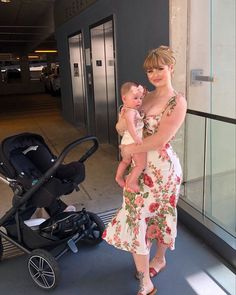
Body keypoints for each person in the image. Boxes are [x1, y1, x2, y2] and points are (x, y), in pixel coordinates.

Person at [103, 45, 187, 295]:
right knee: (136, 217)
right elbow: (121, 128)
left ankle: (159, 258)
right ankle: (144, 280)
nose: (155, 74)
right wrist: (122, 119)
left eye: (160, 69)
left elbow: (161, 140)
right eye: (150, 70)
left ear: (170, 68)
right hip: (140, 170)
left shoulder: (177, 101)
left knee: (161, 216)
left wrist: (129, 151)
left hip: (163, 171)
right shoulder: (143, 95)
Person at [115, 82, 146, 192]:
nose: (139, 101)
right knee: (140, 164)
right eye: (135, 98)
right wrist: (136, 138)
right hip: (133, 142)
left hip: (126, 142)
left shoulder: (126, 109)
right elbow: (130, 125)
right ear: (124, 98)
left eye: (140, 98)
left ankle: (118, 177)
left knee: (125, 161)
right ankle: (132, 182)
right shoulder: (131, 111)